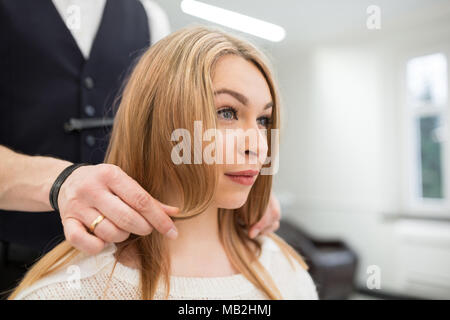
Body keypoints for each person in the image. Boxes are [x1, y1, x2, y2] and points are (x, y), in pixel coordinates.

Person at [9, 25, 318, 300]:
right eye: (227, 113)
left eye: (263, 119)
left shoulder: (285, 272)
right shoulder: (67, 291)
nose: (259, 147)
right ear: (161, 124)